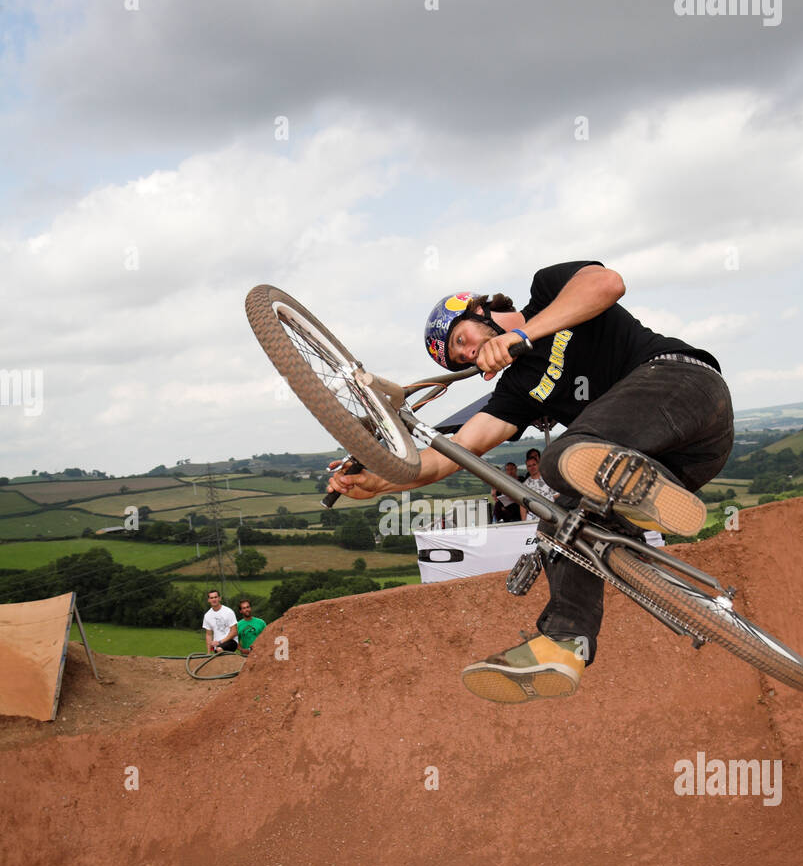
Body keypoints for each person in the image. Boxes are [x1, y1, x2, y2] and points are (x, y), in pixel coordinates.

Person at [327, 261, 734, 704]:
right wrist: (382, 478)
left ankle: (635, 491)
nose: (467, 353)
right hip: (683, 464)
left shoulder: (548, 291)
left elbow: (607, 284)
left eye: (463, 339)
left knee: (562, 459)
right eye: (459, 357)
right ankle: (564, 643)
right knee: (561, 523)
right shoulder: (517, 391)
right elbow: (456, 451)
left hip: (685, 388)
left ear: (481, 310)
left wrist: (522, 335)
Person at [519, 447, 557, 522]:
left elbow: (557, 497)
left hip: (551, 517)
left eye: (534, 465)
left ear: (538, 464)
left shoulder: (549, 479)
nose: (532, 468)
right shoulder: (525, 485)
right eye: (529, 466)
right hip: (533, 520)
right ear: (527, 468)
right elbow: (522, 505)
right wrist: (523, 523)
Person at [203, 589, 238, 653]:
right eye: (211, 598)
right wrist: (208, 653)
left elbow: (234, 631)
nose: (214, 599)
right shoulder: (207, 615)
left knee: (219, 649)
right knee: (218, 650)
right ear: (209, 600)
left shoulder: (228, 612)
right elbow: (208, 635)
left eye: (215, 597)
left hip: (231, 641)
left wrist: (220, 642)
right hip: (217, 645)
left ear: (219, 598)